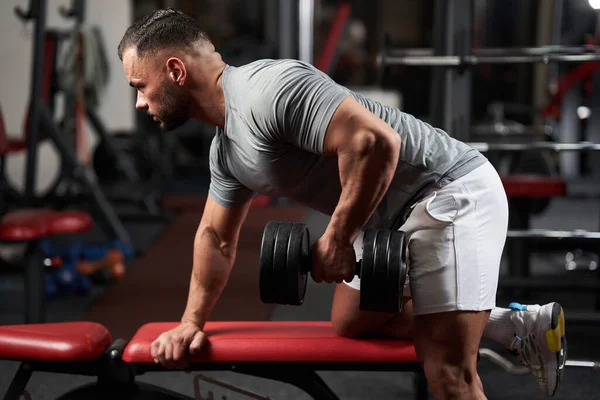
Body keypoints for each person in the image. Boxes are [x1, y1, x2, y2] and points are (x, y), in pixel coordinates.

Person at [118, 8, 566, 399]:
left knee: (449, 374)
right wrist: (190, 323)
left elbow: (376, 142)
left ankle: (461, 328)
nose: (139, 101)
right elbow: (216, 237)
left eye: (140, 85)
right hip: (389, 218)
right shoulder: (227, 150)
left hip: (447, 190)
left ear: (175, 71)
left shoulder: (267, 89)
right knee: (353, 319)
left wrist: (338, 238)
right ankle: (516, 327)